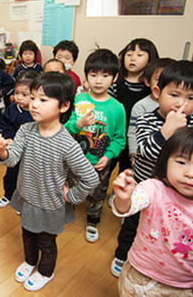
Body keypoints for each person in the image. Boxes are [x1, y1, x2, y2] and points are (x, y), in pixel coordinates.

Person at [0, 72, 99, 291]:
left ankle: (45, 272)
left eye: (43, 99)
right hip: (26, 197)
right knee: (27, 234)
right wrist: (2, 151)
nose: (33, 104)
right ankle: (30, 261)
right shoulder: (25, 130)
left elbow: (91, 178)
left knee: (46, 244)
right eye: (32, 97)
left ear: (64, 106)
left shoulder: (67, 144)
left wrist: (72, 196)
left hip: (50, 205)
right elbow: (12, 160)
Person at [111, 60, 193, 277]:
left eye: (191, 98)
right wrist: (166, 131)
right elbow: (143, 152)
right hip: (145, 188)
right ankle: (122, 254)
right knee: (132, 224)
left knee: (165, 231)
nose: (181, 104)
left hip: (177, 195)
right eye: (174, 95)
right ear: (157, 92)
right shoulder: (146, 120)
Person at [112, 127, 193, 297]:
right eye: (181, 162)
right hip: (139, 275)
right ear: (165, 162)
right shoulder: (154, 188)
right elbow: (127, 207)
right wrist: (123, 198)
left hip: (186, 286)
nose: (190, 174)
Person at [64, 49, 126, 243]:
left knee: (97, 192)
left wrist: (108, 156)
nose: (98, 80)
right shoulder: (80, 99)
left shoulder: (117, 108)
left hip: (99, 161)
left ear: (114, 78)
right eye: (93, 75)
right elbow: (65, 129)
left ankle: (93, 220)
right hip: (75, 158)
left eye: (105, 75)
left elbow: (119, 138)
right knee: (70, 185)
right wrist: (79, 124)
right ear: (86, 76)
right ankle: (68, 208)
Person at [108, 38, 159, 174]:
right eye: (129, 54)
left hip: (135, 139)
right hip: (113, 136)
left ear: (150, 59)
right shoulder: (115, 84)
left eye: (139, 55)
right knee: (105, 169)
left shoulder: (151, 88)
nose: (132, 59)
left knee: (127, 172)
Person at [0, 71, 38, 208]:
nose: (18, 97)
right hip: (14, 150)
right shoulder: (12, 109)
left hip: (32, 153)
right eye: (16, 93)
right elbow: (3, 125)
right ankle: (8, 194)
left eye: (24, 95)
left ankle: (25, 199)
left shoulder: (38, 112)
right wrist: (9, 138)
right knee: (11, 174)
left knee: (29, 178)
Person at [126, 58, 175, 166]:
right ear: (148, 81)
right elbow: (133, 132)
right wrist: (134, 154)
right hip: (145, 158)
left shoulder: (180, 107)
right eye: (158, 80)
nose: (163, 84)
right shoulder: (141, 106)